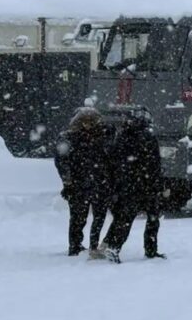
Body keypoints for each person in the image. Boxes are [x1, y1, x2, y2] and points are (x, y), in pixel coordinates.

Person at [95, 112, 166, 264]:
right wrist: (158, 183)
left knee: (126, 218)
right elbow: (155, 163)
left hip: (129, 185)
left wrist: (117, 183)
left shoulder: (122, 137)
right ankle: (150, 250)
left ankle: (114, 247)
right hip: (146, 185)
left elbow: (113, 162)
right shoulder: (147, 138)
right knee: (151, 219)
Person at [54, 108, 112, 256]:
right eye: (84, 122)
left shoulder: (71, 138)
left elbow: (62, 162)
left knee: (82, 217)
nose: (87, 125)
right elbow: (62, 163)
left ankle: (82, 245)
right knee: (84, 217)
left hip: (89, 183)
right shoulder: (100, 137)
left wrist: (68, 183)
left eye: (90, 122)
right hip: (90, 183)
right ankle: (81, 245)